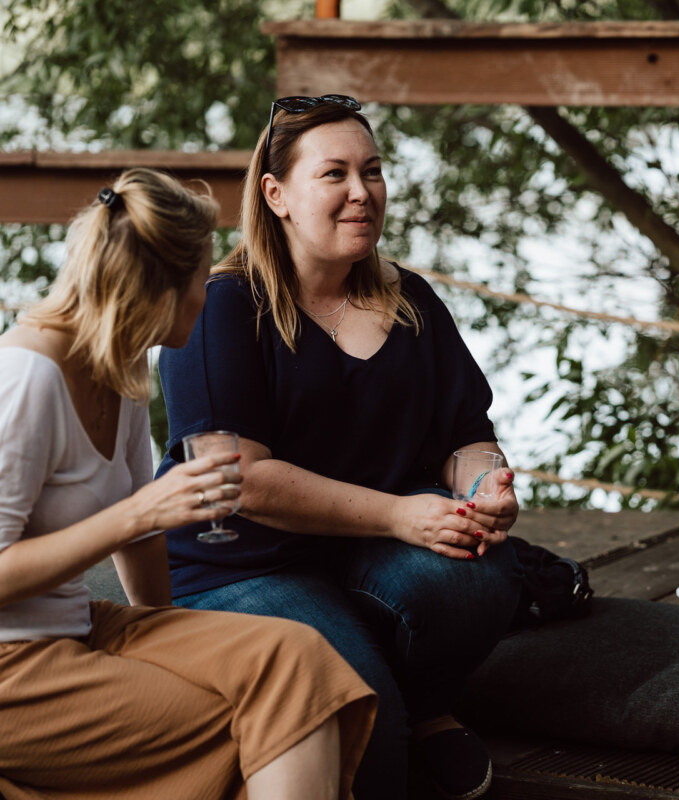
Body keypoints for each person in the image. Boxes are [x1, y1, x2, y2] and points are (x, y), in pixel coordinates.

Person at [156, 95, 523, 800]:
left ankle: (421, 699)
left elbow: (466, 437)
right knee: (357, 719)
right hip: (238, 564)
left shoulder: (410, 299)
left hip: (357, 554)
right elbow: (239, 479)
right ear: (276, 194)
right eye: (335, 174)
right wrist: (397, 515)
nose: (363, 192)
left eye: (374, 171)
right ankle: (398, 710)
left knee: (480, 574)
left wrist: (484, 486)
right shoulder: (224, 305)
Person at [0, 168, 375, 800]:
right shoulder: (26, 379)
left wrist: (171, 642)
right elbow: (132, 519)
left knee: (297, 660)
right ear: (157, 286)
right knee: (254, 723)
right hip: (12, 666)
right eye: (202, 277)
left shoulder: (118, 368)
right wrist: (141, 512)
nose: (211, 294)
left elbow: (140, 536)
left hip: (76, 628)